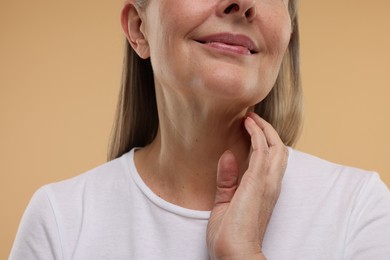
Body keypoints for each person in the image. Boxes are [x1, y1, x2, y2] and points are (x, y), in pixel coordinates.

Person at [9, 0, 390, 259]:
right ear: (139, 28)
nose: (241, 1)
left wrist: (243, 254)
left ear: (288, 35)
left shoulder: (359, 209)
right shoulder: (59, 219)